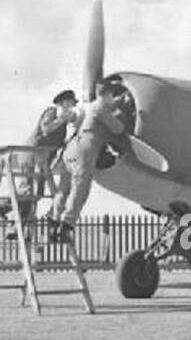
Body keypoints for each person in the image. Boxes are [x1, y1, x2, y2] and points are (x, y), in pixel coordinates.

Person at [50, 81, 127, 243]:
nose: (117, 100)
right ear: (107, 95)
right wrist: (121, 116)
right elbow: (118, 129)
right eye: (115, 96)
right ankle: (66, 226)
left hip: (69, 149)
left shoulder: (87, 107)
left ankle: (54, 222)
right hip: (84, 149)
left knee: (63, 189)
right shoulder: (99, 106)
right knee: (80, 188)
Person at [15, 89, 77, 227]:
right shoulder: (52, 112)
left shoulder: (63, 125)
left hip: (43, 159)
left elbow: (58, 141)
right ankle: (11, 215)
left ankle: (24, 223)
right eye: (71, 103)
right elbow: (46, 129)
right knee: (27, 191)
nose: (72, 107)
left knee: (38, 193)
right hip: (31, 154)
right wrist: (63, 119)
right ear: (63, 103)